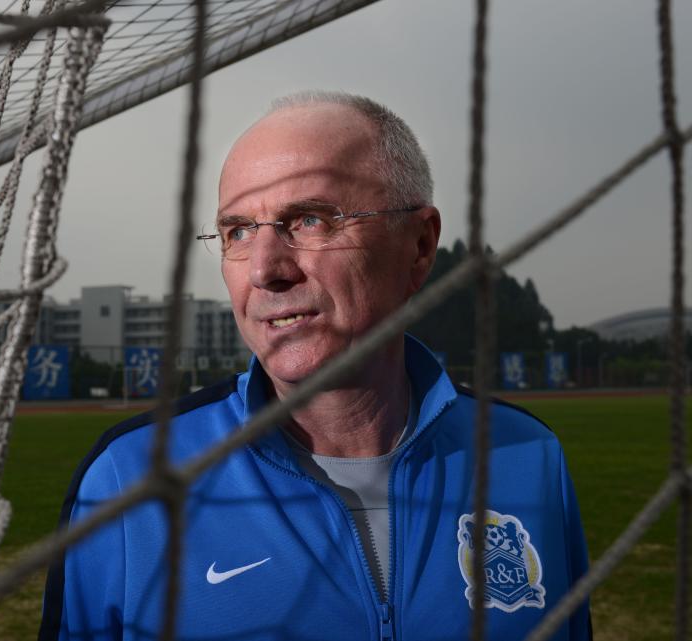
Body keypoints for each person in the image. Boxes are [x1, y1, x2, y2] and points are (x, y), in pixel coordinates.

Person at [38, 91, 590, 640]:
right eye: (237, 232)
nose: (265, 269)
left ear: (419, 246)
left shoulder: (527, 455)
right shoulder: (128, 479)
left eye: (308, 220)